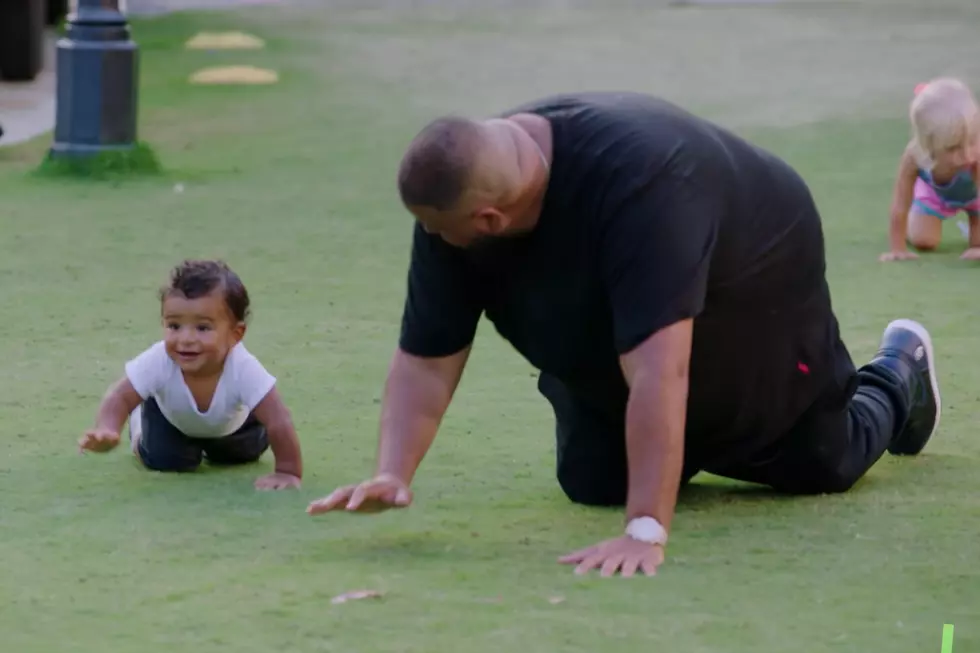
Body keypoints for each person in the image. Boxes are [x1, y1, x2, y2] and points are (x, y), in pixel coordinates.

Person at [307, 91, 941, 578]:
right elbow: (426, 357)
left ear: (490, 217)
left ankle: (898, 371)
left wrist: (645, 530)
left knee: (818, 462)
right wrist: (394, 472)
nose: (433, 242)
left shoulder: (643, 183)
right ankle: (675, 450)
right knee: (595, 481)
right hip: (613, 308)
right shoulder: (457, 194)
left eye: (442, 231)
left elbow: (661, 370)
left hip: (753, 281)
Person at [78, 259, 304, 490]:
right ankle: (140, 431)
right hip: (171, 420)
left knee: (242, 454)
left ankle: (226, 446)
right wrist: (107, 428)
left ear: (235, 334)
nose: (186, 339)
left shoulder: (243, 366)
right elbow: (120, 396)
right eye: (174, 326)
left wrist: (287, 471)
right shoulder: (160, 360)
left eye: (203, 328)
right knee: (167, 461)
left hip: (233, 426)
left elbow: (278, 418)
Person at [880, 77, 980, 262]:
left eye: (972, 142)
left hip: (976, 196)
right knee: (924, 241)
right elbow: (900, 203)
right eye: (953, 148)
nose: (966, 155)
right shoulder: (914, 157)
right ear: (928, 145)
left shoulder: (976, 156)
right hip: (934, 195)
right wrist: (897, 248)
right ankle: (917, 222)